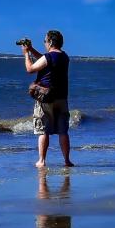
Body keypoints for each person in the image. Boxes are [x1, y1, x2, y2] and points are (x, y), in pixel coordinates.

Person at [20, 30, 74, 167]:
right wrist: (31, 49)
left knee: (43, 130)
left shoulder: (49, 57)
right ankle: (67, 160)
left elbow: (30, 69)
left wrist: (26, 53)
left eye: (45, 41)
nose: (44, 43)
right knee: (63, 131)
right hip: (62, 98)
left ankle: (42, 160)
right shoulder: (64, 57)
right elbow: (44, 59)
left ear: (50, 42)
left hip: (46, 97)